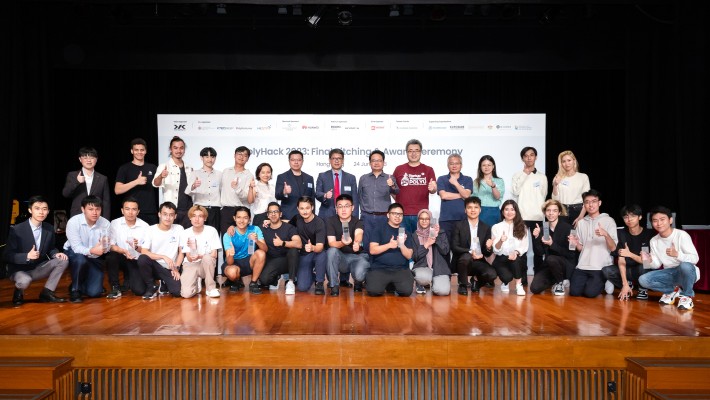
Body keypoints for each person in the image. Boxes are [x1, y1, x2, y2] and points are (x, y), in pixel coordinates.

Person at [4, 195, 69, 305]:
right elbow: (7, 255)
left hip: (38, 268)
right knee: (24, 281)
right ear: (30, 210)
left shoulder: (48, 228)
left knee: (63, 260)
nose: (41, 212)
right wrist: (26, 256)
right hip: (20, 269)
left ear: (48, 211)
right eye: (37, 208)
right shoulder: (17, 229)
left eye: (44, 209)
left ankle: (47, 292)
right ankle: (18, 291)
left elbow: (51, 248)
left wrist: (56, 254)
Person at [639, 206, 700, 311]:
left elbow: (695, 259)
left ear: (670, 220)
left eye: (662, 219)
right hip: (669, 273)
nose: (659, 223)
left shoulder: (682, 235)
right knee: (643, 280)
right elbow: (657, 265)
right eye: (655, 221)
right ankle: (673, 290)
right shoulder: (654, 240)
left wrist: (677, 254)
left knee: (684, 265)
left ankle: (687, 296)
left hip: (687, 272)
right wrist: (648, 261)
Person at [568, 189, 618, 298]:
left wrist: (606, 235)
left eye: (594, 201)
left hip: (600, 266)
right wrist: (576, 243)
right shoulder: (581, 223)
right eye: (587, 202)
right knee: (574, 293)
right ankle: (591, 282)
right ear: (584, 205)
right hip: (582, 266)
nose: (590, 205)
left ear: (599, 203)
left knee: (590, 294)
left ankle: (607, 280)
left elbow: (613, 248)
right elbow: (581, 249)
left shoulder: (609, 221)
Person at [63, 195, 111, 303]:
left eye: (97, 209)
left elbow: (107, 247)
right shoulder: (73, 222)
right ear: (83, 209)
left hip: (95, 256)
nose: (95, 212)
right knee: (80, 260)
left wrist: (104, 248)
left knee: (95, 293)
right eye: (90, 209)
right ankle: (75, 290)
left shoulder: (105, 223)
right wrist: (92, 250)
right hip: (74, 253)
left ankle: (79, 281)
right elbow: (76, 248)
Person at [601, 204, 655, 300]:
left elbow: (646, 262)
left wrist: (629, 254)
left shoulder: (648, 234)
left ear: (640, 217)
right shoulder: (621, 233)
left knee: (645, 267)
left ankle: (642, 289)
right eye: (626, 217)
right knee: (607, 270)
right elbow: (621, 260)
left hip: (641, 267)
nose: (629, 219)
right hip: (627, 268)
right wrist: (624, 283)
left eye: (633, 216)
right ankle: (626, 285)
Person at [510, 146, 548, 276]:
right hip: (522, 217)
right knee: (522, 248)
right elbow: (515, 192)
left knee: (538, 249)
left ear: (536, 157)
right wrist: (525, 175)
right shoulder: (517, 175)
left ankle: (539, 275)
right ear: (522, 158)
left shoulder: (542, 177)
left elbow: (543, 195)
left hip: (538, 217)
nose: (529, 157)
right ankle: (522, 277)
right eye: (526, 155)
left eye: (532, 155)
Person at [137, 201, 184, 299]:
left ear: (175, 216)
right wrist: (163, 256)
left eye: (171, 215)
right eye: (165, 214)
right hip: (154, 266)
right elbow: (144, 251)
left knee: (177, 292)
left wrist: (177, 268)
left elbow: (181, 252)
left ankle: (163, 282)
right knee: (142, 258)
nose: (168, 218)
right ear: (159, 214)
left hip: (170, 268)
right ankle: (151, 286)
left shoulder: (179, 229)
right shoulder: (150, 230)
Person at [366, 202, 415, 296]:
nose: (397, 216)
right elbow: (372, 250)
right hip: (380, 268)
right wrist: (389, 245)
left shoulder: (406, 233)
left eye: (400, 214)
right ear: (388, 215)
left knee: (406, 292)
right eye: (394, 213)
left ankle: (391, 284)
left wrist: (401, 245)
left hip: (400, 269)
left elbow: (409, 255)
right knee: (373, 291)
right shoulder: (378, 229)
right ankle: (387, 283)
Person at [105, 197, 149, 299]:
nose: (130, 212)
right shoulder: (115, 223)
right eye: (127, 209)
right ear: (122, 210)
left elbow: (147, 250)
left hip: (136, 259)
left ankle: (129, 279)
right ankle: (115, 287)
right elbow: (110, 246)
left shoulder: (145, 226)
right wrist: (124, 251)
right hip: (121, 257)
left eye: (134, 209)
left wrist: (137, 247)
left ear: (138, 212)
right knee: (111, 256)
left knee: (139, 290)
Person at [529, 200, 576, 296]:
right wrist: (537, 237)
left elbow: (571, 254)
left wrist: (552, 244)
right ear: (545, 212)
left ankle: (560, 282)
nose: (551, 213)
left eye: (554, 211)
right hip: (549, 265)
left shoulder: (569, 228)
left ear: (559, 213)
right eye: (548, 210)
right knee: (534, 288)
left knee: (551, 259)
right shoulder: (543, 228)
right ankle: (556, 280)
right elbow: (539, 252)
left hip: (565, 265)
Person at [326, 194, 369, 296]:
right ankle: (334, 285)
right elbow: (331, 243)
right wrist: (342, 243)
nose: (343, 209)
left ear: (352, 208)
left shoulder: (358, 221)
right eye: (340, 206)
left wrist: (356, 243)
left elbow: (359, 234)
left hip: (357, 257)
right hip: (342, 259)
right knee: (331, 251)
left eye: (347, 206)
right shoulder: (330, 221)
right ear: (336, 208)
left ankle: (358, 281)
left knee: (359, 274)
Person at [451, 196, 496, 295]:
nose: (473, 210)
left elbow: (486, 253)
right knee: (466, 257)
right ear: (465, 210)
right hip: (462, 260)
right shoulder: (458, 225)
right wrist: (471, 252)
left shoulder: (486, 227)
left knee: (492, 274)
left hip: (478, 261)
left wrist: (488, 247)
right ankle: (462, 284)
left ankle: (476, 282)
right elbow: (454, 247)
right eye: (469, 207)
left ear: (480, 210)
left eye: (476, 207)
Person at [358, 150, 399, 252]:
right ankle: (366, 265)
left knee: (383, 242)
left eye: (379, 160)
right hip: (366, 217)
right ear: (370, 163)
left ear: (383, 162)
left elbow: (397, 192)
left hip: (383, 217)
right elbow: (359, 197)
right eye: (373, 160)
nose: (376, 163)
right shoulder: (363, 178)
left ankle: (380, 265)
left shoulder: (390, 177)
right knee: (366, 243)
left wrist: (392, 185)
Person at [392, 139, 437, 233]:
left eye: (416, 151)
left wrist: (433, 189)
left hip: (421, 216)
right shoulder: (399, 169)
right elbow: (393, 190)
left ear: (421, 152)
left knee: (421, 243)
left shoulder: (428, 170)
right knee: (402, 242)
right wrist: (400, 199)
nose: (413, 154)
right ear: (406, 153)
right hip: (401, 215)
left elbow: (433, 190)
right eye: (410, 151)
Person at [258, 202, 301, 295]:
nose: (273, 214)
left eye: (276, 211)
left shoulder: (289, 228)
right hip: (272, 260)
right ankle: (275, 279)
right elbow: (247, 228)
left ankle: (290, 282)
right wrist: (232, 227)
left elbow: (299, 244)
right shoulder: (263, 228)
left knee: (293, 250)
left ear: (280, 214)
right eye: (271, 212)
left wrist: (282, 243)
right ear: (268, 215)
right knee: (264, 280)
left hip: (286, 260)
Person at [436, 153, 473, 263]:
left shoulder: (467, 179)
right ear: (448, 165)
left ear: (461, 165)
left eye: (457, 163)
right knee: (445, 248)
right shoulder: (442, 179)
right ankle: (446, 273)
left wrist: (456, 184)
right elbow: (444, 195)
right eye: (451, 163)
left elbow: (467, 195)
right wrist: (461, 194)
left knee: (461, 247)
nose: (454, 165)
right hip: (446, 219)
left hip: (463, 219)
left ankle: (460, 272)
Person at [179, 205, 222, 298]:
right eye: (194, 216)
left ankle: (211, 288)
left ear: (205, 218)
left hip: (206, 264)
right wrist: (191, 250)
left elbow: (214, 255)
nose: (196, 219)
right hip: (191, 264)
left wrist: (200, 256)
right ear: (190, 218)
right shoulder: (185, 233)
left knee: (208, 257)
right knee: (186, 294)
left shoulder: (212, 231)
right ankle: (196, 284)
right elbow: (189, 259)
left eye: (200, 216)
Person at [223, 206, 267, 295]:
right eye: (239, 217)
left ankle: (253, 283)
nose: (242, 221)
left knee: (261, 253)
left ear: (249, 219)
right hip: (234, 262)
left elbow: (265, 249)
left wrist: (257, 241)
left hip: (249, 261)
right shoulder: (228, 234)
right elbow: (230, 262)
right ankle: (236, 281)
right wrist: (231, 254)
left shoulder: (255, 229)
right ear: (234, 218)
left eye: (245, 218)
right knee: (232, 273)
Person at [114, 138, 158, 225]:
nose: (139, 152)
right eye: (136, 150)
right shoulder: (124, 168)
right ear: (132, 151)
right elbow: (117, 190)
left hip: (150, 211)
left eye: (142, 150)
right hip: (132, 211)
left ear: (145, 151)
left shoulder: (153, 168)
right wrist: (136, 182)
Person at [152, 136, 193, 228]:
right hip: (171, 210)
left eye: (181, 148)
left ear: (184, 150)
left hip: (188, 210)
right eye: (175, 148)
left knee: (186, 238)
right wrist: (161, 176)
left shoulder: (189, 168)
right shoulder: (164, 166)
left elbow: (191, 189)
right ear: (170, 149)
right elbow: (155, 183)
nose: (179, 150)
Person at [491, 200, 529, 296]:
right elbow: (495, 249)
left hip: (515, 257)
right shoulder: (496, 227)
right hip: (501, 258)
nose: (509, 212)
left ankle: (518, 285)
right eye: (506, 209)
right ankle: (505, 282)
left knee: (516, 259)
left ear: (516, 212)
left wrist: (516, 252)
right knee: (507, 277)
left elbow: (524, 246)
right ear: (503, 212)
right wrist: (501, 241)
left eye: (512, 209)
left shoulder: (522, 227)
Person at [290, 196, 327, 294]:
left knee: (322, 254)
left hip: (317, 252)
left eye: (307, 208)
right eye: (302, 208)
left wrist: (312, 247)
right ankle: (312, 276)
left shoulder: (319, 222)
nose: (305, 211)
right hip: (304, 254)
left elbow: (320, 247)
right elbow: (285, 225)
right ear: (298, 209)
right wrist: (270, 222)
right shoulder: (297, 219)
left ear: (312, 207)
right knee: (302, 287)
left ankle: (319, 282)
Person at [62, 147, 111, 219]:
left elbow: (106, 202)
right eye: (85, 157)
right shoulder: (73, 175)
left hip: (96, 216)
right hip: (77, 215)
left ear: (96, 159)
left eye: (92, 157)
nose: (88, 160)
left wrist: (106, 220)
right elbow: (65, 194)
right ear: (80, 159)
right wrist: (77, 182)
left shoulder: (103, 178)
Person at [411, 209, 451, 296]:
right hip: (422, 267)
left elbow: (445, 251)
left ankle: (435, 283)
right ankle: (421, 283)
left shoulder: (440, 232)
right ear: (418, 220)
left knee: (443, 291)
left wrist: (436, 237)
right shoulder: (415, 235)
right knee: (422, 277)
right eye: (421, 218)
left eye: (427, 219)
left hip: (439, 268)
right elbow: (415, 257)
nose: (424, 221)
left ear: (431, 220)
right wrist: (427, 244)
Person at [316, 148, 359, 220]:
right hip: (327, 215)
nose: (336, 161)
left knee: (345, 231)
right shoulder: (322, 176)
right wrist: (325, 195)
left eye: (339, 158)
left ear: (343, 160)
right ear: (329, 160)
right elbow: (317, 193)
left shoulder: (351, 178)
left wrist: (355, 218)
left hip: (346, 215)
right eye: (334, 158)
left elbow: (355, 200)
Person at [185, 147, 222, 231]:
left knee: (214, 234)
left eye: (212, 157)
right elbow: (187, 191)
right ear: (201, 158)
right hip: (200, 209)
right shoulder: (195, 173)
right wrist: (193, 186)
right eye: (207, 156)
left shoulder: (220, 174)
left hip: (215, 210)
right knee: (199, 234)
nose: (210, 159)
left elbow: (222, 192)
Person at [220, 146, 254, 235]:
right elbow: (220, 190)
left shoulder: (249, 175)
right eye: (239, 154)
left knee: (241, 240)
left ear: (248, 159)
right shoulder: (226, 171)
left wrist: (236, 188)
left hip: (241, 211)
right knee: (226, 240)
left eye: (245, 155)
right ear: (234, 155)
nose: (241, 157)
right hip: (226, 211)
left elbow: (246, 197)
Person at [551, 150, 590, 227]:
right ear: (561, 164)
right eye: (564, 161)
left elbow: (587, 199)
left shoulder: (583, 177)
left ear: (574, 161)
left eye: (569, 160)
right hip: (562, 211)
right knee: (562, 237)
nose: (567, 163)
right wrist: (555, 185)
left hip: (578, 210)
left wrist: (581, 216)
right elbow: (555, 199)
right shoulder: (558, 177)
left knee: (576, 237)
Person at [275, 150, 315, 221]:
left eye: (299, 160)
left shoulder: (309, 178)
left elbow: (312, 199)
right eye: (293, 160)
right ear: (289, 161)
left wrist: (313, 216)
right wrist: (284, 192)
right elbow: (277, 196)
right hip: (288, 216)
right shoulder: (282, 177)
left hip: (306, 217)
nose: (296, 162)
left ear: (302, 161)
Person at [471, 155, 505, 228]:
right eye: (484, 165)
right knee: (479, 236)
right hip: (480, 212)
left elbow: (497, 197)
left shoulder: (499, 181)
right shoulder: (476, 181)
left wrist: (493, 186)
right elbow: (473, 198)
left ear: (493, 166)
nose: (486, 167)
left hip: (494, 212)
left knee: (494, 236)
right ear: (480, 167)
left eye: (489, 165)